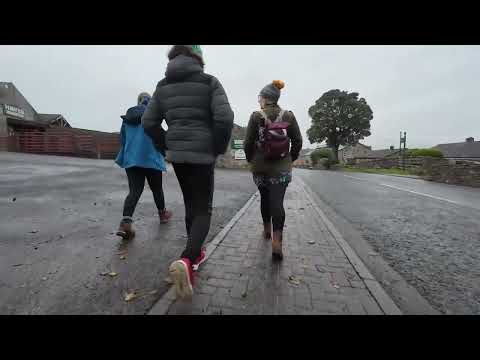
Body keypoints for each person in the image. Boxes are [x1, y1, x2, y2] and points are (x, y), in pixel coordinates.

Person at [142, 45, 234, 299]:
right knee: (203, 208)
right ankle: (187, 258)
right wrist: (216, 147)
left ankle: (193, 259)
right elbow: (225, 117)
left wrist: (165, 144)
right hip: (203, 155)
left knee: (191, 204)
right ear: (199, 58)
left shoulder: (162, 86)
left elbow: (148, 121)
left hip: (179, 156)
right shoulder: (209, 82)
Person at [243, 80, 303, 260]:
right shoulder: (289, 116)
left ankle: (266, 231)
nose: (258, 100)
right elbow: (298, 141)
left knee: (264, 199)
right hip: (282, 168)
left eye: (259, 97)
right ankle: (277, 243)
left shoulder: (256, 116)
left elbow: (248, 143)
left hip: (260, 167)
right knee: (277, 202)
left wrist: (251, 159)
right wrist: (290, 158)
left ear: (266, 98)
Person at [115, 92, 172, 240]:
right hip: (151, 159)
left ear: (138, 101)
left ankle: (125, 222)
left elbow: (122, 139)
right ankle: (163, 214)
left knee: (134, 191)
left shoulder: (127, 118)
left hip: (132, 159)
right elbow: (159, 136)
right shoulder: (153, 115)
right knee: (157, 188)